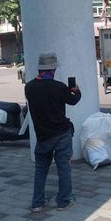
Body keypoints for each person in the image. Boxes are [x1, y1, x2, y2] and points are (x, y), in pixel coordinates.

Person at [25, 52, 81, 212]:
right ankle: (63, 201)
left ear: (40, 69)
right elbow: (74, 100)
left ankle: (37, 202)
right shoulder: (59, 87)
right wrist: (76, 90)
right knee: (64, 167)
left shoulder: (29, 87)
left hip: (42, 136)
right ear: (53, 69)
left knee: (41, 169)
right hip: (61, 134)